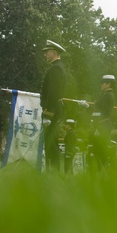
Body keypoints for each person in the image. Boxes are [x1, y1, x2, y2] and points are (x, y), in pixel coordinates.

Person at [40, 40, 68, 172]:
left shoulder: (56, 69)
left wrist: (48, 114)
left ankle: (54, 172)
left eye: (46, 52)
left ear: (53, 52)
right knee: (52, 143)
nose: (45, 55)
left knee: (51, 144)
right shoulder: (58, 67)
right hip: (56, 109)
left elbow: (53, 93)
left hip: (53, 110)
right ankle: (53, 171)